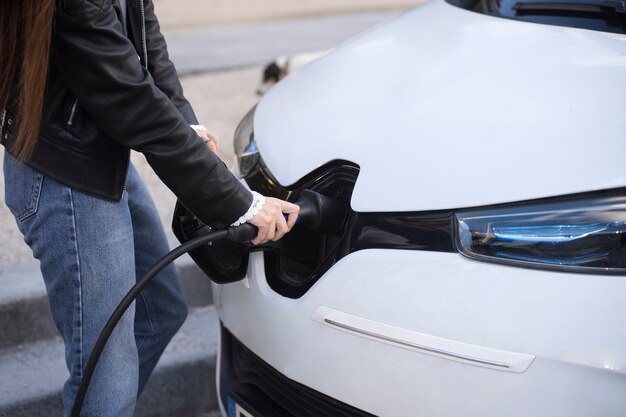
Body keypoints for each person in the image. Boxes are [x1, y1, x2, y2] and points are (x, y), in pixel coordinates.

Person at [0, 0, 299, 416]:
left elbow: (145, 36)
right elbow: (128, 98)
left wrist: (183, 120)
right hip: (65, 173)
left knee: (160, 311)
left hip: (100, 154)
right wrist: (240, 204)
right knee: (107, 372)